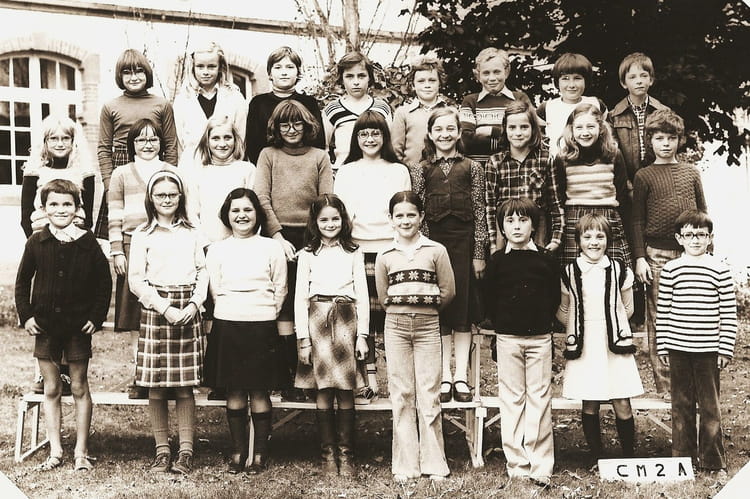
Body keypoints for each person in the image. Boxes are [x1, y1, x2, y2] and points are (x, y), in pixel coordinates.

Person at [15, 179, 112, 472]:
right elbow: (22, 282)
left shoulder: (87, 243)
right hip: (45, 326)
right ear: (44, 208)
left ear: (77, 208)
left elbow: (103, 283)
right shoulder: (36, 241)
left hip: (78, 328)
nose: (60, 209)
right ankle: (55, 450)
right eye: (54, 204)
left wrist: (95, 317)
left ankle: (81, 451)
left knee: (79, 386)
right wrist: (27, 316)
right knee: (52, 387)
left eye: (67, 204)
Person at [128, 170, 207, 475]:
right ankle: (162, 451)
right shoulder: (142, 233)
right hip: (157, 308)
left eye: (172, 194)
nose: (167, 200)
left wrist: (194, 303)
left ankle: (186, 452)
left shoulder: (193, 230)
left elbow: (203, 271)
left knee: (185, 387)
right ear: (151, 198)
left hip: (187, 307)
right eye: (160, 195)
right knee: (157, 386)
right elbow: (136, 280)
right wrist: (164, 307)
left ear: (180, 197)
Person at [203, 188, 287, 474]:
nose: (242, 215)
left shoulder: (271, 248)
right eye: (236, 210)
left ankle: (259, 454)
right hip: (229, 323)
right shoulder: (217, 250)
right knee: (235, 389)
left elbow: (280, 288)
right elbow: (215, 289)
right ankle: (238, 452)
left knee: (259, 390)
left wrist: (262, 312)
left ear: (257, 214)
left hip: (261, 324)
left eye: (248, 210)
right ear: (227, 215)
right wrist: (233, 308)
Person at [254, 99, 333, 401]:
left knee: (311, 301)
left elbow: (326, 200)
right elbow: (261, 197)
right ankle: (287, 376)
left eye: (297, 123)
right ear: (276, 128)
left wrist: (313, 241)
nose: (291, 129)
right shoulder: (268, 155)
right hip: (277, 235)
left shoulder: (319, 156)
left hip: (313, 236)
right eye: (284, 124)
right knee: (284, 303)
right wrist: (276, 235)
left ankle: (311, 375)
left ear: (307, 125)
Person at [375, 191, 455, 483]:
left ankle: (434, 463)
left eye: (411, 214)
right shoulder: (385, 255)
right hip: (396, 327)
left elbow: (448, 291)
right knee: (402, 393)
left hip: (428, 327)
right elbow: (383, 296)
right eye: (399, 215)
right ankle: (406, 465)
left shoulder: (436, 250)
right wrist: (403, 310)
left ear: (421, 217)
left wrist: (426, 310)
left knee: (429, 392)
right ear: (391, 219)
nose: (405, 220)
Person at [409, 107, 487, 403]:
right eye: (438, 129)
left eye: (450, 129)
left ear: (458, 132)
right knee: (440, 308)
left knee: (462, 310)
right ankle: (444, 376)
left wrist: (478, 253)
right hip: (434, 245)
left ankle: (461, 377)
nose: (445, 134)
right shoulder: (421, 169)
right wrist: (424, 252)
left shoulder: (472, 168)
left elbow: (480, 210)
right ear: (430, 134)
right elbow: (418, 213)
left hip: (464, 245)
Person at [334, 111, 411, 404]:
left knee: (391, 315)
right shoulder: (347, 171)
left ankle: (398, 380)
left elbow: (404, 212)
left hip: (390, 250)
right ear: (356, 139)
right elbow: (341, 213)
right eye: (363, 134)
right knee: (363, 317)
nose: (369, 139)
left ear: (384, 136)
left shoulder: (398, 170)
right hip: (357, 249)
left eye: (375, 133)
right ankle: (368, 380)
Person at [483, 198, 559, 488]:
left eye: (523, 220)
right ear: (502, 228)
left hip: (539, 339)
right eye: (510, 221)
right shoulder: (497, 262)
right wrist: (502, 325)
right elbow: (489, 299)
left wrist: (543, 322)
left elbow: (554, 297)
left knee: (539, 398)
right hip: (508, 339)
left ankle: (541, 464)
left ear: (533, 225)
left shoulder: (546, 260)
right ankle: (517, 463)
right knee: (512, 399)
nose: (517, 226)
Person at [632, 109, 707, 395]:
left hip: (691, 254)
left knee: (692, 315)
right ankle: (667, 388)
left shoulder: (691, 173)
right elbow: (636, 220)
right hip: (657, 256)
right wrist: (640, 257)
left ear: (680, 139)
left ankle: (691, 385)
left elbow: (702, 214)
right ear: (649, 140)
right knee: (660, 318)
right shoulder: (644, 176)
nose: (665, 144)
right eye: (659, 138)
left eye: (671, 138)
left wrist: (707, 252)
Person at [557, 213, 643, 462]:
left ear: (608, 240)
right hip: (586, 343)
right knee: (590, 400)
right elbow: (564, 310)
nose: (593, 242)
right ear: (578, 241)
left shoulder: (619, 270)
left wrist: (612, 324)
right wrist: (579, 328)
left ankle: (628, 457)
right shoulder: (570, 272)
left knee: (622, 400)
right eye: (587, 237)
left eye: (600, 236)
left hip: (613, 342)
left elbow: (628, 308)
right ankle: (598, 457)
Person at [20, 115, 96, 395]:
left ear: (74, 141)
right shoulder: (35, 171)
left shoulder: (83, 172)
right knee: (46, 304)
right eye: (54, 138)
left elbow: (88, 216)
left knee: (72, 302)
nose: (60, 143)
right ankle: (45, 374)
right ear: (45, 141)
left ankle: (69, 370)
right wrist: (41, 247)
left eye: (66, 138)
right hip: (45, 245)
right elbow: (25, 216)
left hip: (75, 246)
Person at [656, 210, 737, 474]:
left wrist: (725, 348)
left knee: (710, 406)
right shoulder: (671, 270)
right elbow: (663, 312)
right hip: (678, 348)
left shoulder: (719, 270)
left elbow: (728, 313)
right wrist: (662, 344)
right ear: (679, 238)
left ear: (710, 238)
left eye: (701, 235)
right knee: (681, 404)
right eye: (689, 235)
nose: (695, 240)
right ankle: (682, 459)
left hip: (708, 351)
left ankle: (712, 461)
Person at [294, 194, 369, 476]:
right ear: (314, 222)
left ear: (343, 220)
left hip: (347, 320)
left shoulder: (354, 252)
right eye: (323, 219)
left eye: (335, 218)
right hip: (317, 321)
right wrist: (304, 340)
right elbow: (300, 299)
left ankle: (346, 454)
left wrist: (362, 335)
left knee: (346, 388)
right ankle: (328, 454)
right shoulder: (307, 254)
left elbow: (362, 296)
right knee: (323, 388)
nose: (330, 224)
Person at [109, 119, 179, 400]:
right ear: (132, 144)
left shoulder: (171, 172)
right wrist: (117, 249)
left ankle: (168, 377)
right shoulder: (121, 174)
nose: (147, 145)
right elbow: (115, 214)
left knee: (164, 310)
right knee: (135, 317)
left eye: (153, 139)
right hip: (130, 244)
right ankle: (140, 375)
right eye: (141, 140)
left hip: (166, 245)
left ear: (161, 143)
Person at [95, 49, 178, 239]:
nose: (134, 77)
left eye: (139, 71)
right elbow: (104, 148)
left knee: (156, 225)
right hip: (121, 164)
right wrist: (109, 186)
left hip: (155, 164)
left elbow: (171, 146)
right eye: (127, 72)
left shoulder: (162, 105)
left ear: (147, 73)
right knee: (120, 226)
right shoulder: (110, 107)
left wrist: (168, 179)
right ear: (119, 76)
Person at [555, 103, 632, 268]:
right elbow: (559, 195)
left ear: (601, 128)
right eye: (579, 127)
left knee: (614, 271)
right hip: (575, 219)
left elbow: (622, 194)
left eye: (590, 126)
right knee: (574, 273)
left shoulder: (613, 154)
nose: (585, 132)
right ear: (571, 130)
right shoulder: (563, 158)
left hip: (608, 218)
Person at [485, 100, 564, 255]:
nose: (518, 133)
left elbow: (555, 203)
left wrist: (556, 239)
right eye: (512, 127)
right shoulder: (495, 162)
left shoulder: (545, 159)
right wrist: (494, 244)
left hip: (538, 232)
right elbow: (490, 207)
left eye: (524, 127)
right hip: (505, 233)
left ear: (533, 129)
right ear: (505, 129)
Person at [245, 46, 325, 164]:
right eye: (278, 67)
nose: (284, 72)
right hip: (269, 166)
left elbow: (318, 142)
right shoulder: (258, 103)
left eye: (290, 67)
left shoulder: (309, 103)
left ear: (298, 72)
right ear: (270, 73)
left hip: (304, 166)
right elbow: (253, 145)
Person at [173, 41, 248, 166]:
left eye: (211, 66)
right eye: (200, 66)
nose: (205, 72)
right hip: (192, 167)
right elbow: (180, 141)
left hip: (226, 167)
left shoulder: (235, 98)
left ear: (220, 67)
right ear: (192, 67)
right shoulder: (183, 100)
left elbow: (240, 138)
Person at [186, 115, 255, 244]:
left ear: (235, 140)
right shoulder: (198, 173)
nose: (222, 144)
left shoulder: (247, 170)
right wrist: (205, 244)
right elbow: (192, 214)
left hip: (242, 244)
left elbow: (256, 211)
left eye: (227, 137)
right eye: (215, 138)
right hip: (208, 245)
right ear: (207, 141)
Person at [459, 47, 532, 165]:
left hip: (512, 167)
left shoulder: (519, 99)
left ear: (506, 72)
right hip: (477, 168)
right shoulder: (470, 102)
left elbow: (530, 136)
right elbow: (465, 141)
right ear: (478, 75)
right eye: (486, 73)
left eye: (497, 72)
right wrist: (507, 139)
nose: (492, 78)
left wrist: (491, 131)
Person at [323, 51, 392, 172]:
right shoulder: (332, 109)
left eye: (361, 76)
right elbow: (323, 147)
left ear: (369, 77)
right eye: (349, 76)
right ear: (341, 79)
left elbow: (390, 143)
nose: (356, 82)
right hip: (343, 171)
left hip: (377, 171)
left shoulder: (381, 108)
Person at [609, 52, 670, 183]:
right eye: (632, 77)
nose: (639, 81)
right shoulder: (613, 116)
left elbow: (670, 147)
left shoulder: (663, 112)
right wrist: (624, 183)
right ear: (624, 83)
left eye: (644, 75)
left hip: (659, 178)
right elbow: (613, 154)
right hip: (627, 181)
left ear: (651, 80)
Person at [536, 53, 608, 157]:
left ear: (586, 81)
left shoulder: (596, 104)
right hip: (558, 163)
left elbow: (607, 134)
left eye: (577, 78)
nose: (571, 85)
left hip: (592, 162)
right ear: (557, 82)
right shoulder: (547, 108)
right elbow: (536, 137)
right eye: (565, 78)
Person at [391, 55, 450, 167]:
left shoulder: (448, 111)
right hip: (411, 173)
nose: (427, 85)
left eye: (432, 80)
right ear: (413, 85)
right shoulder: (403, 113)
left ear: (440, 83)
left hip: (442, 173)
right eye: (421, 81)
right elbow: (396, 150)